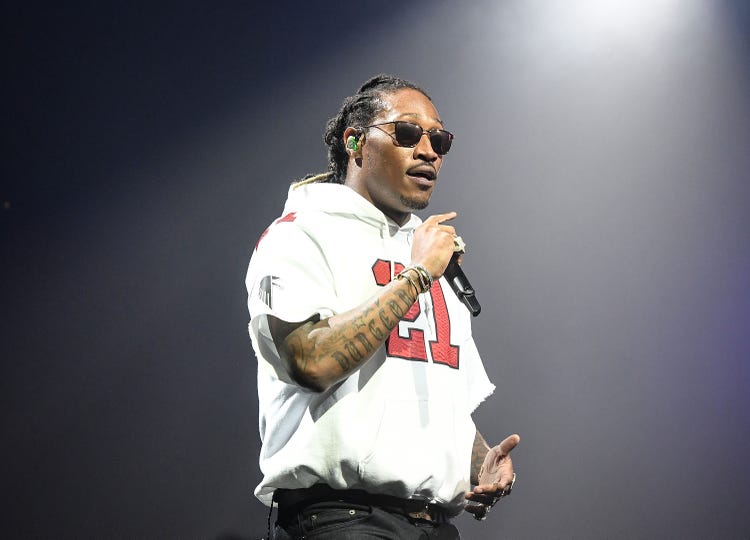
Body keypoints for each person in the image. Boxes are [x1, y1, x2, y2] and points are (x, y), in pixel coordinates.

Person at [246, 74, 520, 539]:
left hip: (435, 524)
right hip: (345, 518)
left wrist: (478, 461)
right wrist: (416, 277)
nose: (429, 151)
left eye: (439, 140)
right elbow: (310, 361)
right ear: (355, 142)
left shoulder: (428, 250)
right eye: (408, 133)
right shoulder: (302, 232)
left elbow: (433, 390)